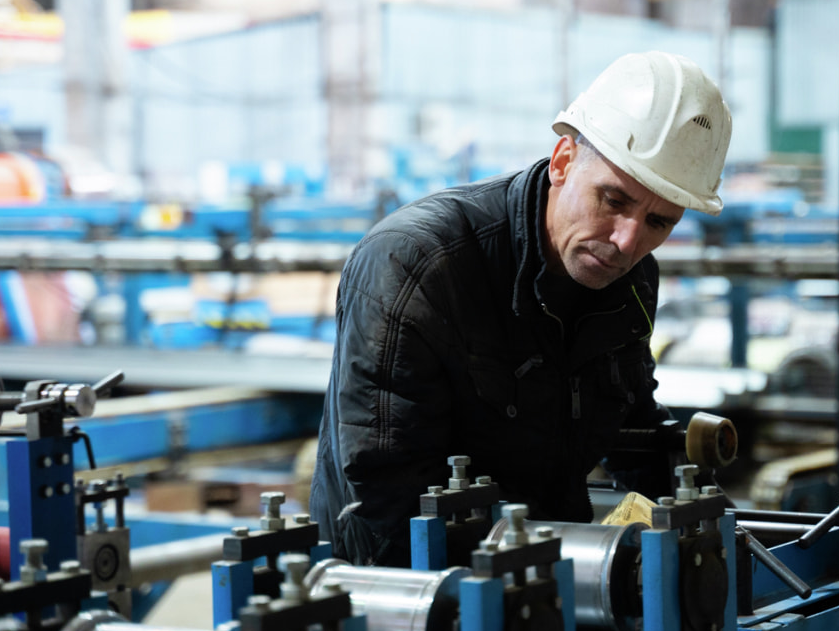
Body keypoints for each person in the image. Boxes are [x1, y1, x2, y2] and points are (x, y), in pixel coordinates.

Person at [309, 51, 733, 566]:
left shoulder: (630, 276)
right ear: (563, 161)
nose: (627, 241)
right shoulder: (417, 266)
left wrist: (707, 524)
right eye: (613, 201)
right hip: (395, 596)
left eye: (659, 222)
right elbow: (385, 493)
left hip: (541, 581)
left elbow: (629, 422)